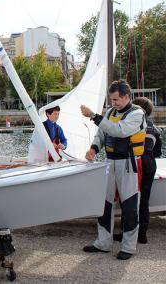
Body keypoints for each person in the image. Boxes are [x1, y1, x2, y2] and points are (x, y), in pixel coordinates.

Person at [80, 79, 147, 260]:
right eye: (111, 99)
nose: (113, 103)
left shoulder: (137, 114)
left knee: (130, 206)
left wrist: (94, 116)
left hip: (129, 163)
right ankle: (103, 243)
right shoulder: (110, 112)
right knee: (105, 204)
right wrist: (93, 148)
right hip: (110, 162)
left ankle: (128, 246)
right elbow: (101, 134)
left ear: (126, 97)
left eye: (116, 99)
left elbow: (119, 131)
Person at [113, 97, 162, 244]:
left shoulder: (131, 125)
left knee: (128, 200)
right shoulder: (156, 129)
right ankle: (142, 235)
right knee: (144, 200)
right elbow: (157, 152)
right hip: (150, 164)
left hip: (135, 163)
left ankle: (126, 233)